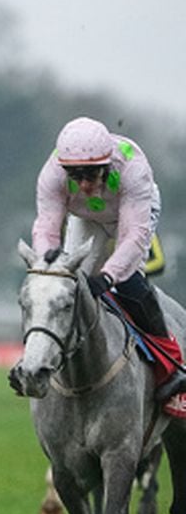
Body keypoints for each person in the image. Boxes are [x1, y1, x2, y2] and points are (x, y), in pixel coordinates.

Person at [31, 116, 186, 404]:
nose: (85, 184)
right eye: (76, 176)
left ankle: (171, 365)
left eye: (91, 175)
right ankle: (45, 359)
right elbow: (45, 228)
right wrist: (47, 256)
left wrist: (108, 276)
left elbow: (134, 238)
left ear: (107, 165)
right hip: (87, 218)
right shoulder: (52, 173)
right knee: (66, 286)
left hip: (132, 214)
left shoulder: (133, 169)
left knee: (126, 282)